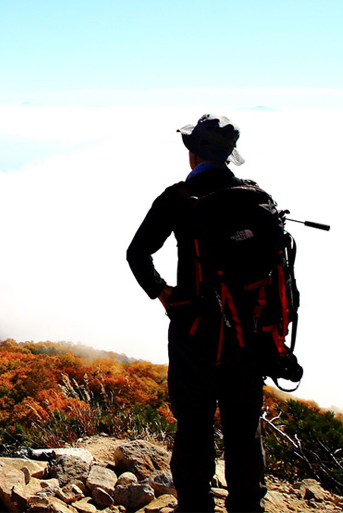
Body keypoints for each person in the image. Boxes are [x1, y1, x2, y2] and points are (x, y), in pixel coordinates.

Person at [127, 114, 268, 512]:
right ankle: (247, 504)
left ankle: (195, 505)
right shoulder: (256, 197)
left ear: (192, 153)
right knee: (243, 425)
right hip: (249, 333)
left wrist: (164, 293)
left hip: (195, 328)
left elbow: (137, 253)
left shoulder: (178, 198)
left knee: (194, 422)